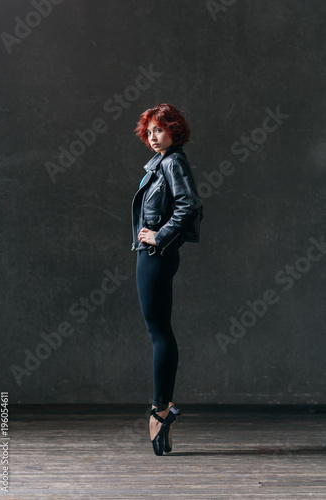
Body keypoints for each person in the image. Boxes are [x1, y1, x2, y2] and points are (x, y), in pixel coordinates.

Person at [131, 103, 203, 456]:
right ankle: (162, 412)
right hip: (152, 257)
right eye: (149, 130)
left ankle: (160, 413)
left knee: (159, 333)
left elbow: (189, 205)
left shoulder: (172, 161)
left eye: (159, 129)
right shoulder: (161, 163)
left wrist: (158, 237)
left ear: (174, 130)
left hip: (156, 256)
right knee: (159, 331)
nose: (153, 135)